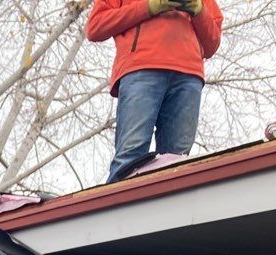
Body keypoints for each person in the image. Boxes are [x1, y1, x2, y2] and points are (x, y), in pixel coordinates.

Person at [87, 0, 223, 183]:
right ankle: (119, 201)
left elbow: (212, 42)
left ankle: (170, 202)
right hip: (141, 67)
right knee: (130, 157)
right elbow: (96, 26)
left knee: (177, 162)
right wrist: (149, 7)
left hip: (188, 75)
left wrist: (197, 9)